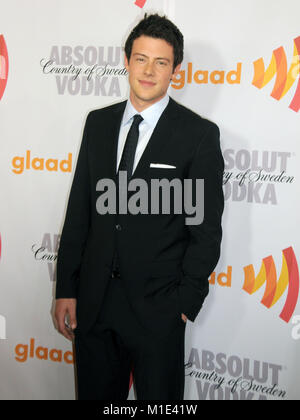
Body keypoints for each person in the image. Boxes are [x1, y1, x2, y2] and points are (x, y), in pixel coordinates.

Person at [54, 13, 224, 400]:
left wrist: (184, 303)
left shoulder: (197, 135)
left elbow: (205, 230)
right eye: (141, 59)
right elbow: (80, 212)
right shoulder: (97, 123)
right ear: (127, 60)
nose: (149, 71)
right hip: (94, 307)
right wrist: (67, 287)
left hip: (158, 312)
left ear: (175, 71)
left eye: (161, 62)